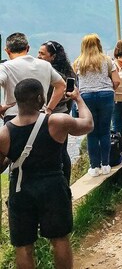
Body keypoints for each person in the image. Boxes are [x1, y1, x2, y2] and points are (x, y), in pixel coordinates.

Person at [0, 78, 94, 269]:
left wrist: (13, 156)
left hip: (21, 189)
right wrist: (78, 99)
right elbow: (88, 124)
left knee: (23, 246)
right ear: (40, 98)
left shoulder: (4, 134)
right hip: (53, 188)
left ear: (17, 101)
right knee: (59, 239)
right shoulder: (57, 122)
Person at [73, 34, 121, 177]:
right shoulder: (107, 60)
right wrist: (109, 88)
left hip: (86, 96)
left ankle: (94, 167)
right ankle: (106, 164)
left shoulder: (78, 63)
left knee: (91, 132)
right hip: (106, 95)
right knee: (105, 131)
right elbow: (117, 80)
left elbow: (76, 82)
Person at [0, 32, 66, 123]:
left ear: (7, 50)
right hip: (40, 117)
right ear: (28, 48)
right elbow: (61, 85)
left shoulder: (5, 67)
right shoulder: (45, 65)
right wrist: (49, 109)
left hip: (14, 117)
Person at [37, 40, 77, 182]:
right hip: (64, 112)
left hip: (52, 114)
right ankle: (65, 182)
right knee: (62, 149)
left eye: (42, 53)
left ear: (53, 57)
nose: (38, 56)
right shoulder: (69, 71)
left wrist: (48, 109)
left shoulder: (51, 73)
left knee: (51, 150)